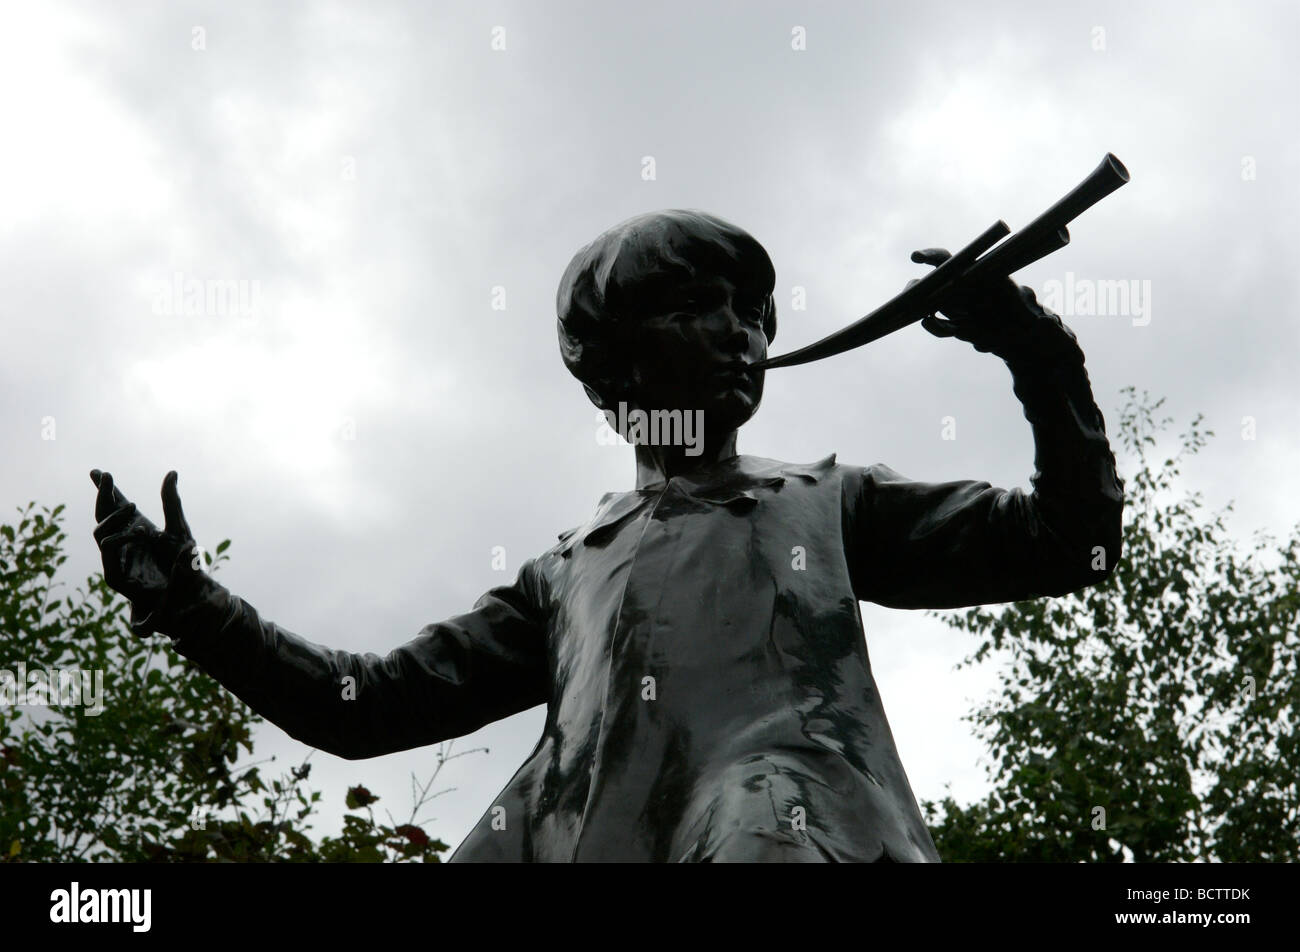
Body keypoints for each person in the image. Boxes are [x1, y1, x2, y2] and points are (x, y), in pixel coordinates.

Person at [91, 209, 1124, 861]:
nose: (740, 331)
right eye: (696, 306)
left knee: (765, 823)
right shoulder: (566, 576)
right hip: (592, 827)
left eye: (750, 311)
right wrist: (193, 606)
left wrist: (1034, 350)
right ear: (613, 366)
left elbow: (1069, 542)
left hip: (785, 813)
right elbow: (366, 706)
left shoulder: (824, 501)